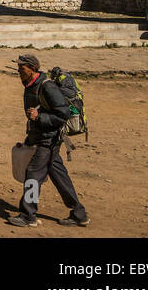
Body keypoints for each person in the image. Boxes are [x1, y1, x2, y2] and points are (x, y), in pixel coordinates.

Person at [9, 54, 89, 228]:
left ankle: (27, 214)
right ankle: (79, 213)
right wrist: (30, 138)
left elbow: (63, 113)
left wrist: (40, 118)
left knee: (33, 174)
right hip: (42, 138)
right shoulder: (31, 85)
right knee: (59, 176)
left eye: (22, 68)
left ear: (33, 69)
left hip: (49, 140)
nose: (19, 72)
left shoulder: (47, 87)